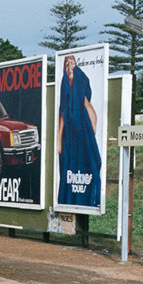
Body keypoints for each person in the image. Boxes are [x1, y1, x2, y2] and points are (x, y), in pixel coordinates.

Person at [57, 55, 101, 207]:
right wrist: (59, 143)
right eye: (67, 63)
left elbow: (91, 113)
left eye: (72, 62)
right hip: (70, 142)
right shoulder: (66, 100)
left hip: (83, 141)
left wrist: (89, 137)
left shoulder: (81, 98)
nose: (69, 65)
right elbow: (61, 119)